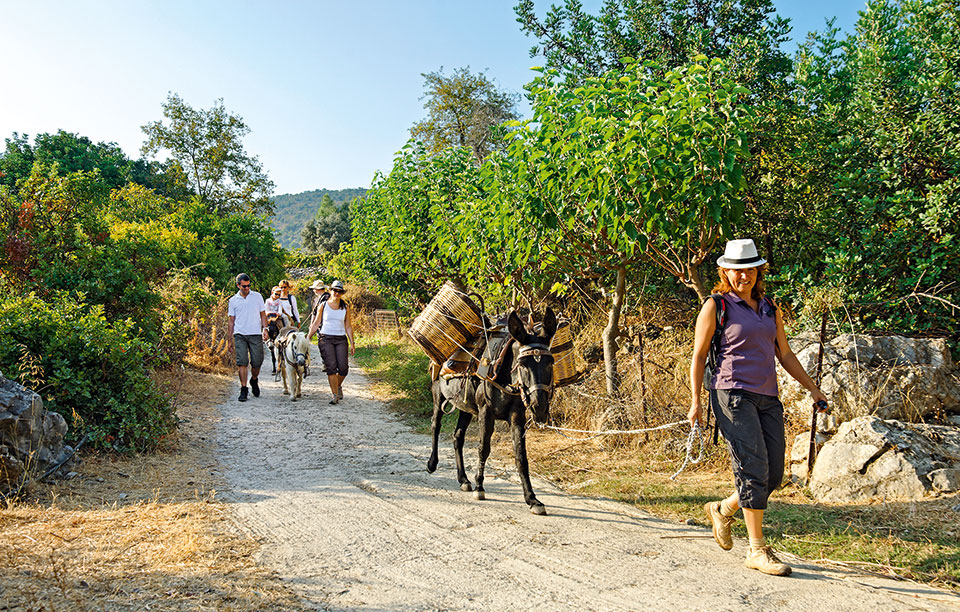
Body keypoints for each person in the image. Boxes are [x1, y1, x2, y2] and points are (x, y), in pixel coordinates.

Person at [689, 238, 828, 577]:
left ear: (757, 271)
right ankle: (756, 549)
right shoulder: (716, 305)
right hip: (731, 394)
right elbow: (698, 355)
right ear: (725, 272)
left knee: (773, 474)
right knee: (752, 468)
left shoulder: (769, 308)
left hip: (768, 395)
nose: (743, 276)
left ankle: (723, 509)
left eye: (749, 270)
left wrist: (813, 389)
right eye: (736, 271)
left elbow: (785, 353)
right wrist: (695, 401)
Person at [307, 280, 355, 405]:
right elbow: (316, 323)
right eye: (334, 290)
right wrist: (308, 337)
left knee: (343, 368)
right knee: (331, 367)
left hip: (340, 339)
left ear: (342, 293)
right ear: (330, 291)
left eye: (339, 291)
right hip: (326, 338)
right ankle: (334, 395)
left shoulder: (345, 307)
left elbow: (348, 326)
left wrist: (352, 343)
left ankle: (337, 385)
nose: (336, 293)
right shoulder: (323, 305)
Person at [227, 273, 270, 402]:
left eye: (248, 286)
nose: (247, 288)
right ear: (238, 285)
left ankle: (254, 380)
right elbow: (231, 321)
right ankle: (243, 389)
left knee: (257, 361)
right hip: (240, 334)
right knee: (242, 362)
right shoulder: (233, 300)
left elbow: (263, 314)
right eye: (244, 286)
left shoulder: (257, 296)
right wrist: (229, 340)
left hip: (255, 333)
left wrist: (265, 329)